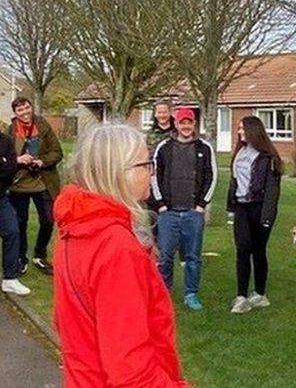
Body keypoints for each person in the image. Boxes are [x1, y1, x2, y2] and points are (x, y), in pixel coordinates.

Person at [53, 123, 189, 387]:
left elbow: (65, 322)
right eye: (145, 164)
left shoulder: (75, 229)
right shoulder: (116, 247)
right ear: (117, 173)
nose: (152, 172)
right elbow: (132, 371)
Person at [151, 107, 216, 311]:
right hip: (168, 213)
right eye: (182, 123)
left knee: (193, 257)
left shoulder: (204, 148)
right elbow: (154, 175)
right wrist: (160, 204)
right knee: (165, 256)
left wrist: (201, 205)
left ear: (194, 124)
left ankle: (191, 294)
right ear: (176, 124)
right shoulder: (164, 147)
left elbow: (211, 176)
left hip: (193, 213)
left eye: (189, 122)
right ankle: (164, 293)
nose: (186, 126)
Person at [226, 116, 281, 314]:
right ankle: (241, 296)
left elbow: (272, 189)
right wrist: (230, 205)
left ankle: (260, 294)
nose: (239, 132)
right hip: (242, 207)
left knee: (258, 250)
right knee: (242, 249)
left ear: (253, 130)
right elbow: (234, 181)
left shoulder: (268, 157)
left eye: (242, 128)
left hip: (259, 208)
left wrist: (267, 216)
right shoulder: (239, 152)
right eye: (238, 128)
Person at [7, 97, 62, 275]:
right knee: (20, 223)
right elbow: (5, 159)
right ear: (15, 114)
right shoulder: (10, 131)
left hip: (43, 180)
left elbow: (57, 152)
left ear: (31, 107)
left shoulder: (43, 125)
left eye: (27, 108)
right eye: (20, 110)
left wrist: (41, 161)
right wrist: (18, 160)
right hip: (19, 183)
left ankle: (39, 255)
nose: (25, 112)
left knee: (48, 220)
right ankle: (21, 258)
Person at [0, 130, 28, 295]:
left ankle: (10, 279)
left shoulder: (6, 141)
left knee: (12, 231)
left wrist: (4, 163)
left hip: (1, 197)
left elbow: (10, 168)